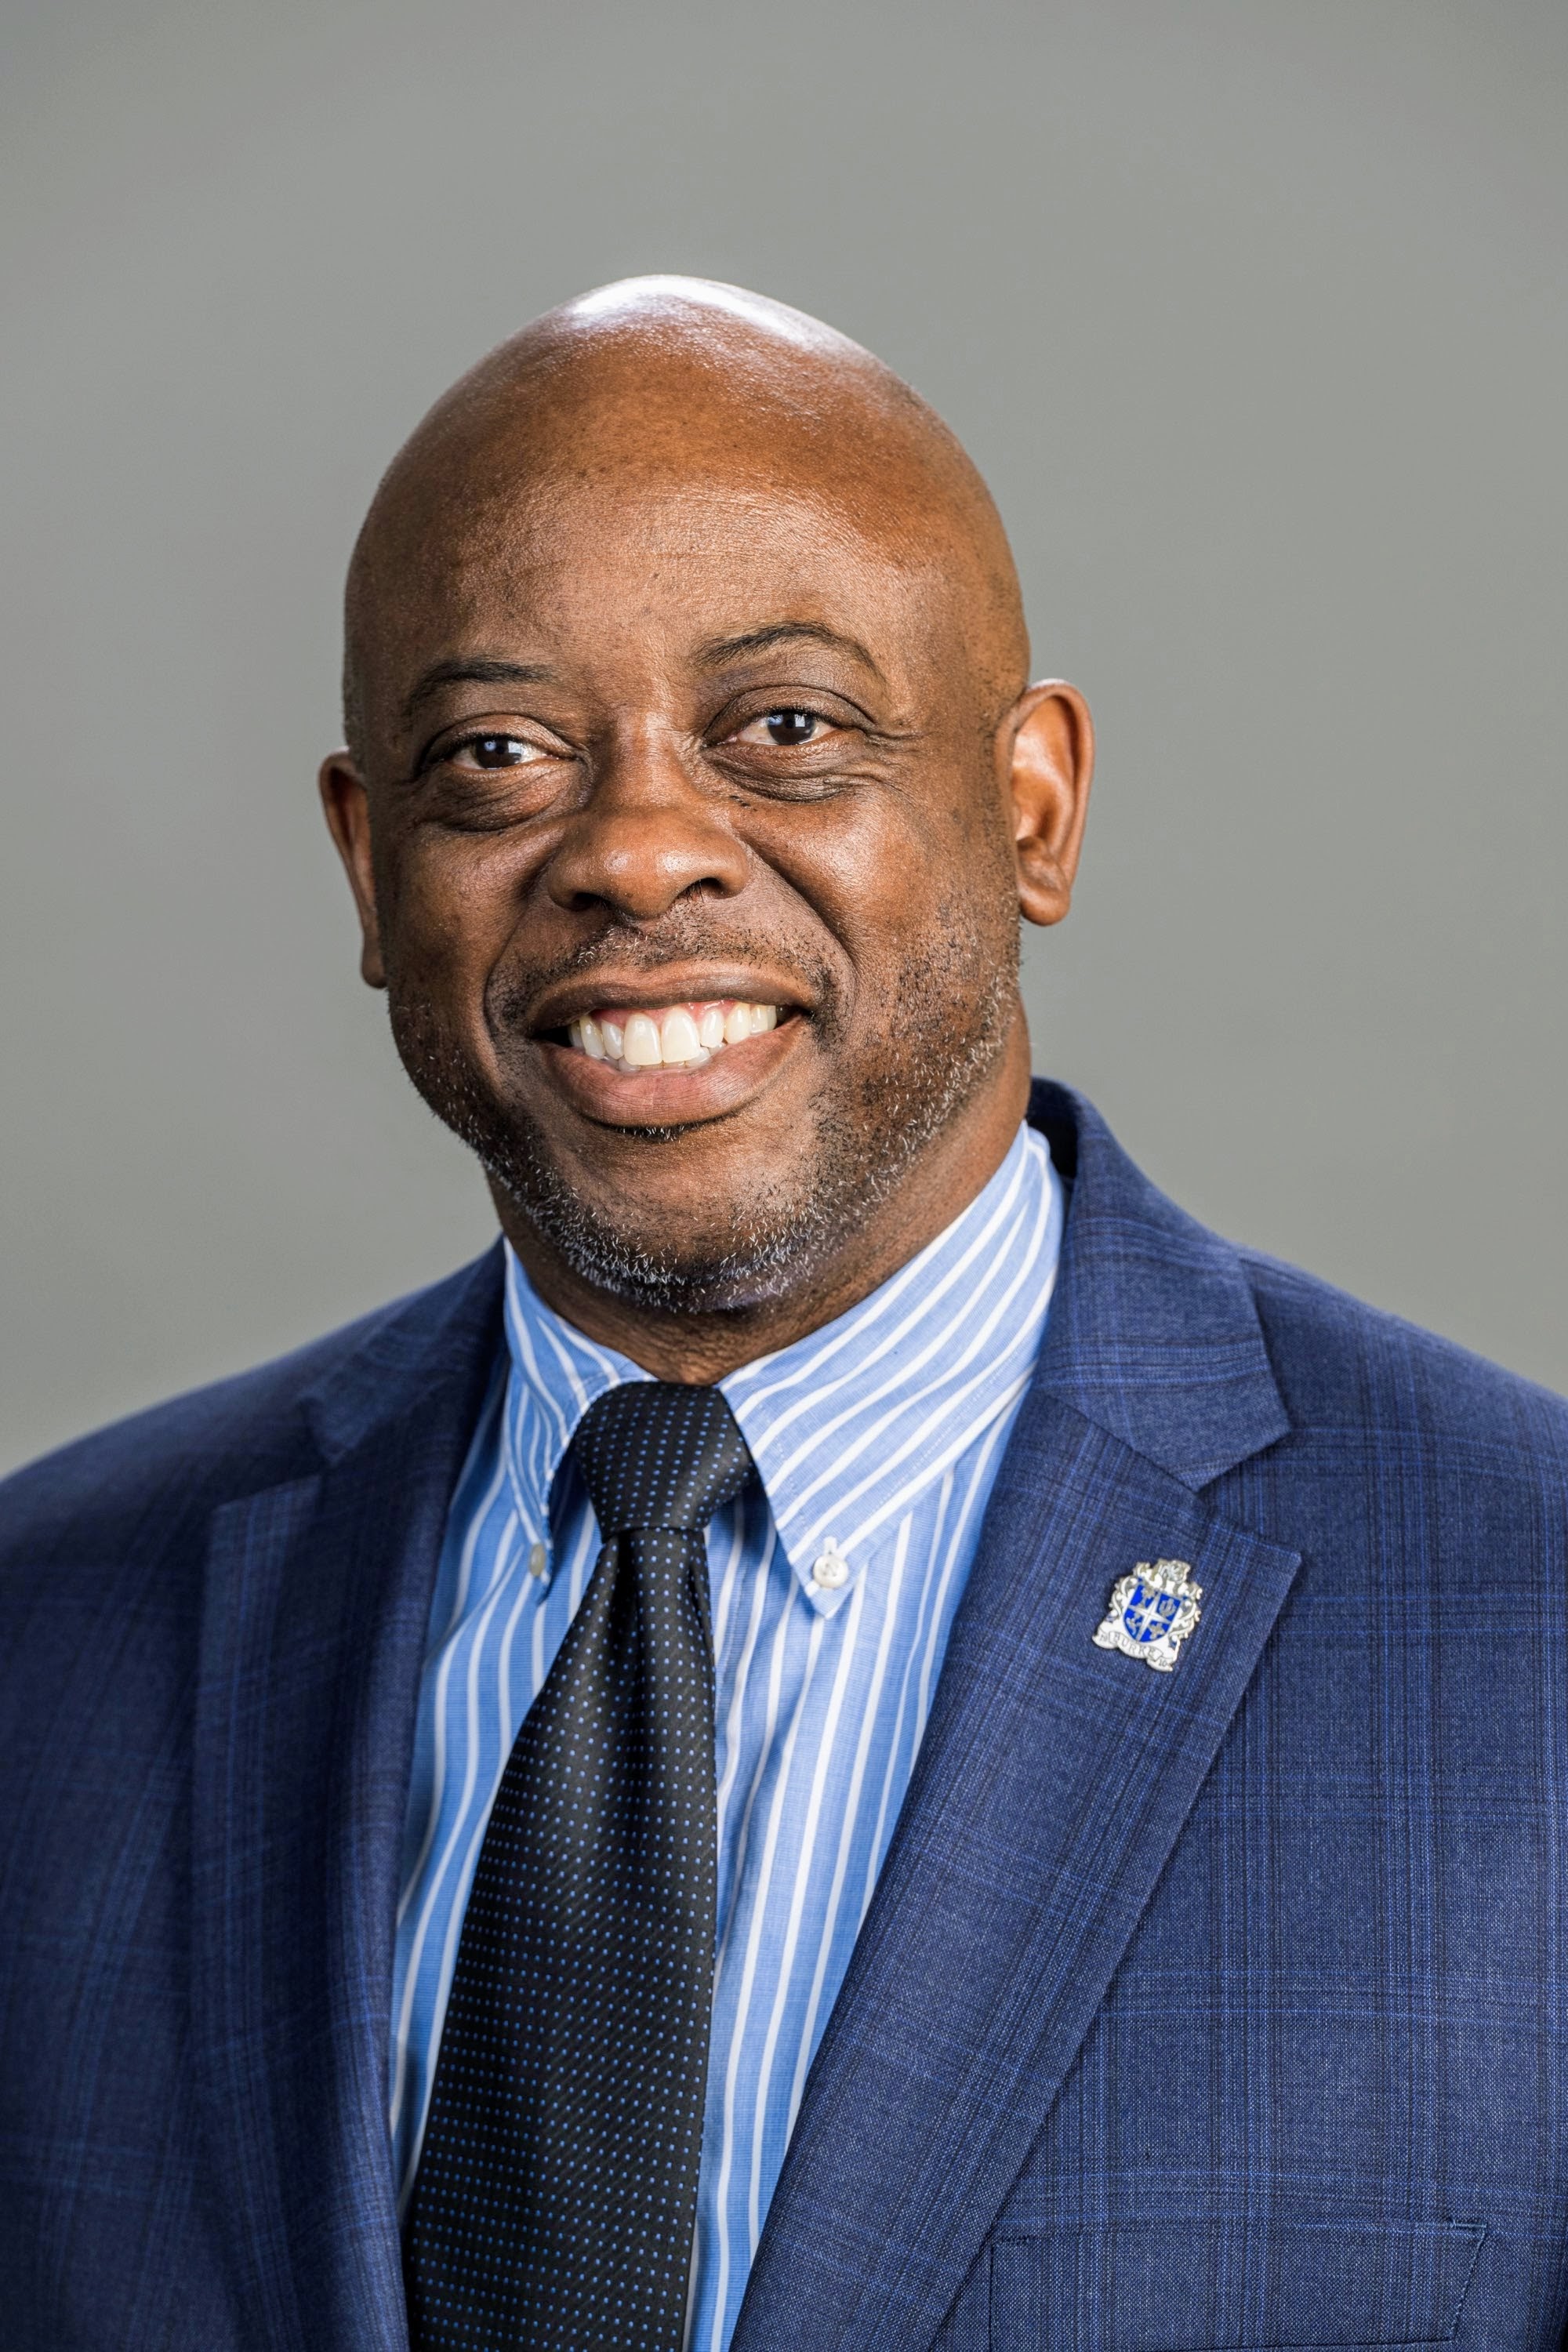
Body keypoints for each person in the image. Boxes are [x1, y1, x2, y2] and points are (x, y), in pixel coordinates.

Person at [2, 277, 1564, 2352]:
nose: (639, 854)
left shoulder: (1528, 1618)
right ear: (372, 869)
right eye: (498, 755)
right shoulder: (47, 1634)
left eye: (791, 730)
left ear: (1033, 808)